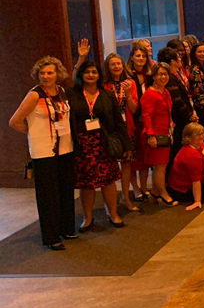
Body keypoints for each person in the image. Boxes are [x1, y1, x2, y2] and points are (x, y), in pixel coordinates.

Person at [9, 56, 76, 250]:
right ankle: (51, 236)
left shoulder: (62, 91)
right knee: (48, 195)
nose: (46, 76)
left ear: (58, 74)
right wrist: (33, 133)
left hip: (65, 148)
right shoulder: (34, 95)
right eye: (42, 73)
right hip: (43, 151)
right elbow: (14, 121)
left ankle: (67, 228)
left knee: (65, 190)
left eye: (50, 73)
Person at [66, 61, 131, 230]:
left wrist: (127, 146)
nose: (90, 75)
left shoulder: (107, 95)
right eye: (86, 72)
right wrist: (79, 59)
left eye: (94, 72)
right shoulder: (72, 94)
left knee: (108, 181)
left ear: (99, 75)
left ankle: (113, 214)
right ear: (81, 75)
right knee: (86, 184)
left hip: (104, 143)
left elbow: (118, 121)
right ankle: (87, 218)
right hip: (82, 145)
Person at [102, 53, 140, 213]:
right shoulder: (103, 85)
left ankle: (126, 198)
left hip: (127, 129)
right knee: (108, 165)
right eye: (113, 64)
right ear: (108, 68)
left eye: (119, 63)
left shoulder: (130, 83)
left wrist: (128, 94)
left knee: (126, 164)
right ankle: (108, 202)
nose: (117, 66)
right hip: (110, 131)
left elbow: (134, 109)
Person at [140, 63, 178, 206]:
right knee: (160, 166)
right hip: (155, 135)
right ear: (154, 76)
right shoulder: (150, 94)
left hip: (166, 133)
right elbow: (147, 116)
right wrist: (151, 135)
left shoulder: (165, 92)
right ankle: (163, 194)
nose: (163, 77)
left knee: (163, 165)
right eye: (160, 74)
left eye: (165, 74)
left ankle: (155, 192)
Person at [157, 47, 198, 172]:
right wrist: (190, 114)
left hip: (182, 118)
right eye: (177, 57)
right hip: (179, 120)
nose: (180, 59)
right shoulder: (170, 78)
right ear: (172, 61)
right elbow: (177, 101)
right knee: (176, 152)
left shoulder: (175, 75)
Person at [126, 42, 153, 201]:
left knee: (145, 157)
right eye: (138, 55)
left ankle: (144, 187)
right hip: (132, 120)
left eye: (143, 56)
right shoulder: (127, 76)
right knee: (132, 157)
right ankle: (135, 188)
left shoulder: (150, 75)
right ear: (131, 57)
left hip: (147, 119)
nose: (141, 58)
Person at [188, 43, 204, 143]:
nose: (202, 54)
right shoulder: (195, 69)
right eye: (199, 52)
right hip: (201, 107)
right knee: (203, 133)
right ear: (194, 54)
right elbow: (197, 89)